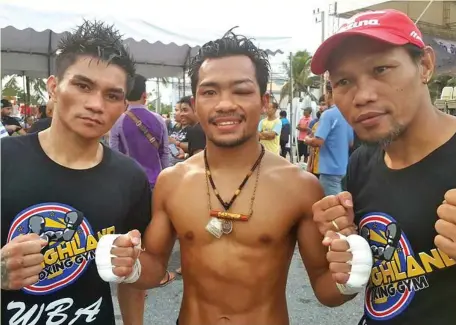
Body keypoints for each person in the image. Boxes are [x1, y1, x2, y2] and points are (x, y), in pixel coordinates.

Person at [95, 29, 372, 325]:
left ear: (264, 100)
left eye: (241, 90)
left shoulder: (300, 187)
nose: (224, 104)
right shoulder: (172, 181)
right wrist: (128, 262)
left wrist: (348, 276)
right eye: (210, 92)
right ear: (196, 102)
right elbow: (153, 268)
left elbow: (325, 289)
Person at [310, 9, 456, 325]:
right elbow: (340, 292)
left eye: (381, 69)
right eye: (344, 81)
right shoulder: (361, 162)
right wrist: (348, 257)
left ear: (425, 66)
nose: (362, 96)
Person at [1, 21, 150, 325]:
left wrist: (132, 264)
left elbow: (135, 275)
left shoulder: (130, 177)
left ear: (123, 105)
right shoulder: (4, 160)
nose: (96, 104)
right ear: (54, 87)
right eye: (83, 86)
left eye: (112, 95)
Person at [110, 74, 171, 190]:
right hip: (156, 183)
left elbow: (114, 154)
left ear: (125, 96)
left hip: (129, 183)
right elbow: (165, 153)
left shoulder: (118, 121)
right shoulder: (159, 120)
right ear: (144, 95)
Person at [304, 85, 353, 196]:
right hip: (343, 168)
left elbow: (318, 142)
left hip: (329, 169)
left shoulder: (328, 115)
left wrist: (307, 140)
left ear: (329, 94)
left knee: (333, 205)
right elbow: (350, 143)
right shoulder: (346, 114)